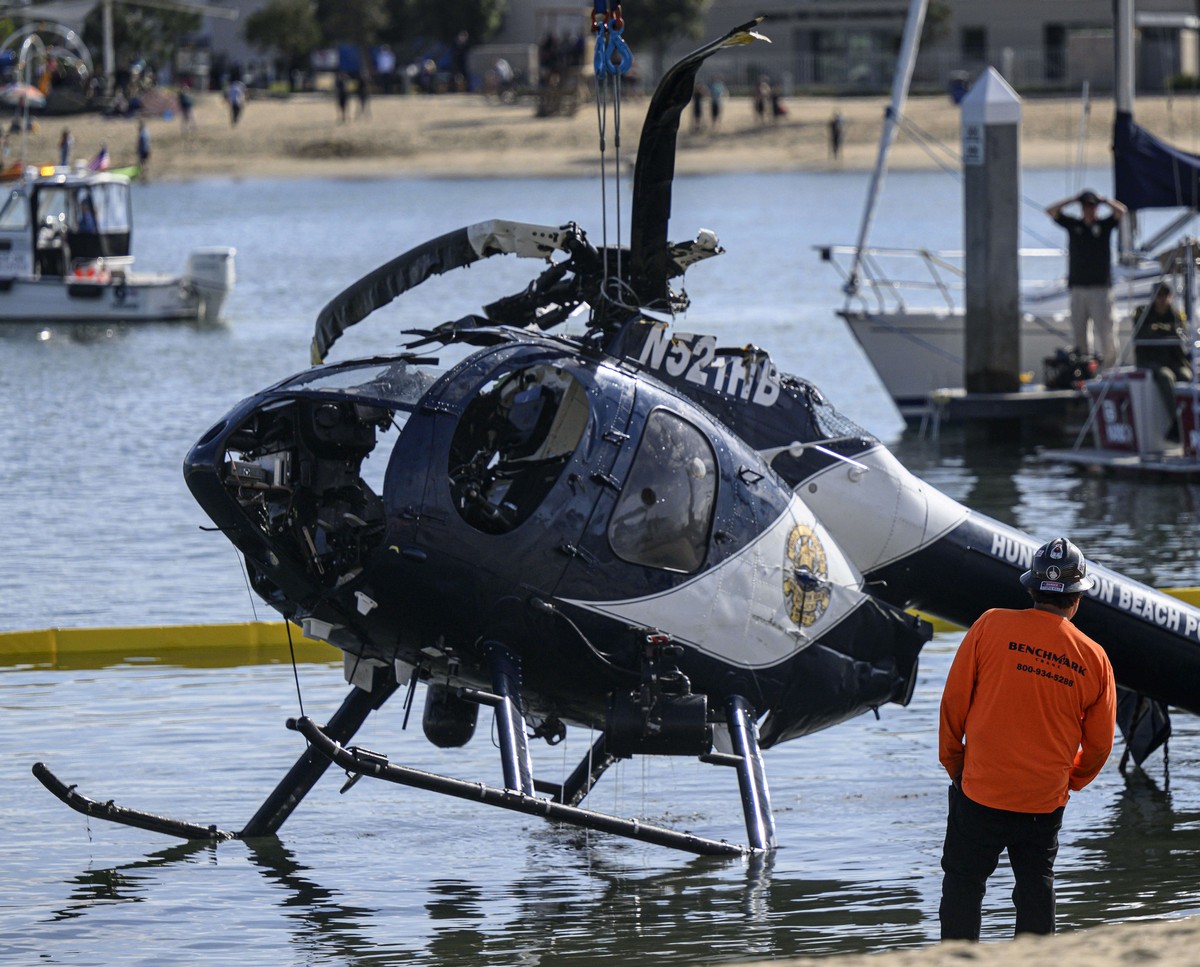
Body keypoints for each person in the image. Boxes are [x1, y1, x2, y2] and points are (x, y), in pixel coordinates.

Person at [938, 536, 1116, 942]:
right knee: (1036, 887)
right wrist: (1070, 780)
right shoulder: (1093, 657)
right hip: (1042, 800)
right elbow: (1101, 744)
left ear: (1032, 589)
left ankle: (956, 959)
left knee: (964, 884)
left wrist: (956, 764)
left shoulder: (989, 625)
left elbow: (953, 704)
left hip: (979, 790)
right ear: (1076, 600)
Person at [1045, 190, 1128, 369]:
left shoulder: (1104, 226)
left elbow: (1121, 211)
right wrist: (1072, 199)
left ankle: (1110, 369)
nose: (1089, 210)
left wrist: (1104, 200)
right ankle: (1083, 368)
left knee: (1106, 332)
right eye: (1086, 206)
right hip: (1078, 288)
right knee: (1079, 334)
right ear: (1081, 208)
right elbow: (1050, 211)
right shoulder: (1074, 225)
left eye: (1092, 206)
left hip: (1100, 289)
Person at [1133, 281, 1192, 442]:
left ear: (1170, 297)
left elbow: (1182, 334)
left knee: (1186, 376)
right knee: (1166, 377)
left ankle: (1189, 422)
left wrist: (1159, 329)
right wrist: (1162, 330)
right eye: (1158, 295)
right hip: (1151, 360)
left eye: (1165, 295)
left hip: (1173, 359)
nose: (1161, 299)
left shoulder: (1176, 314)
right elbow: (1141, 334)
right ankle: (1177, 422)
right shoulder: (1142, 312)